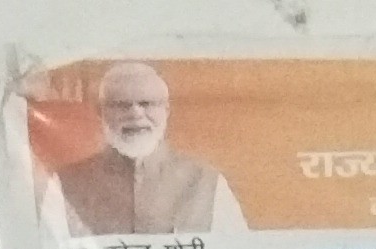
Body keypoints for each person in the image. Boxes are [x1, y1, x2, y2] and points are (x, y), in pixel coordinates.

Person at [43, 59, 249, 238]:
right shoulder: (64, 185)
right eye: (121, 105)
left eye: (147, 103)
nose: (135, 114)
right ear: (100, 112)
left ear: (166, 110)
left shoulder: (207, 182)